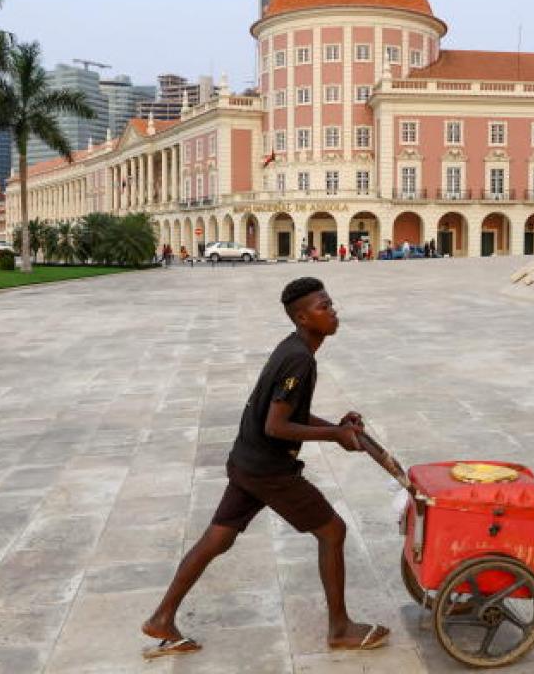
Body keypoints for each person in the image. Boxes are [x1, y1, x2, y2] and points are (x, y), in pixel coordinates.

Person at [142, 277, 389, 659]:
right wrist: (335, 436)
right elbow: (276, 426)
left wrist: (337, 427)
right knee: (333, 531)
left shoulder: (294, 348)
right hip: (268, 469)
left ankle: (162, 617)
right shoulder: (300, 358)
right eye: (324, 307)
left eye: (331, 303)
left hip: (247, 461)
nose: (333, 311)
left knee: (217, 539)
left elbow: (286, 411)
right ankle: (340, 628)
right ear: (304, 318)